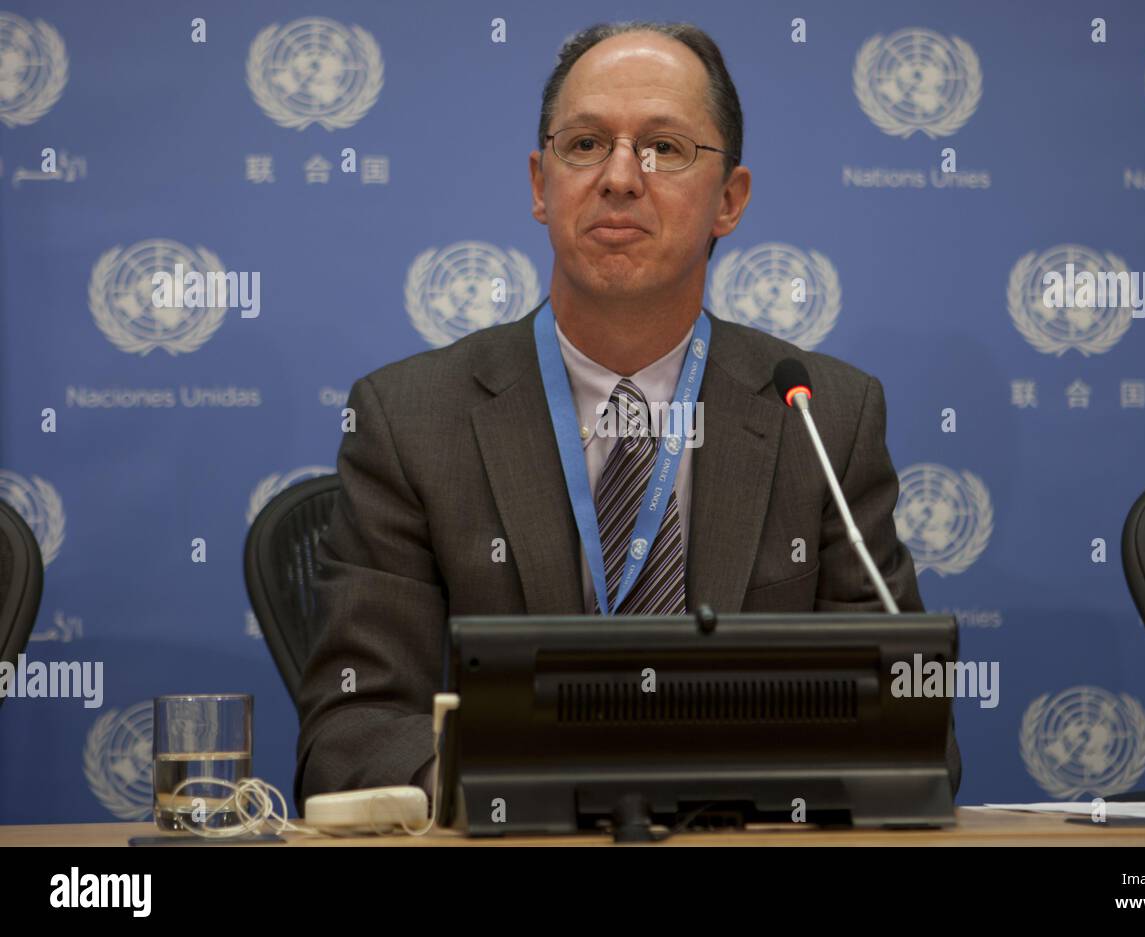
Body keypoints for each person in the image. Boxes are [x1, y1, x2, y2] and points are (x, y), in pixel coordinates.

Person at [294, 21, 960, 816]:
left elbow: (913, 731)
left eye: (665, 149)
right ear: (541, 186)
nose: (619, 177)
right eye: (584, 145)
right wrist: (507, 787)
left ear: (731, 200)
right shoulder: (411, 420)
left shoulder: (821, 416)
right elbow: (351, 727)